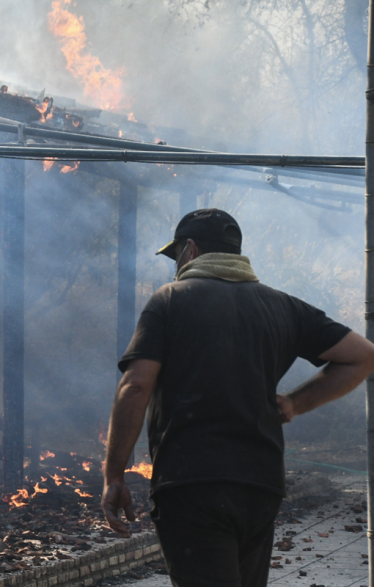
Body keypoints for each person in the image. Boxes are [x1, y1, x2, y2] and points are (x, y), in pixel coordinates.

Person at [101, 208, 374, 587]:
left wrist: (114, 473)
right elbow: (361, 355)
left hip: (191, 483)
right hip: (260, 485)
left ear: (190, 250)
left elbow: (135, 386)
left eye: (176, 254)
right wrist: (296, 402)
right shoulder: (284, 306)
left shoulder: (169, 300)